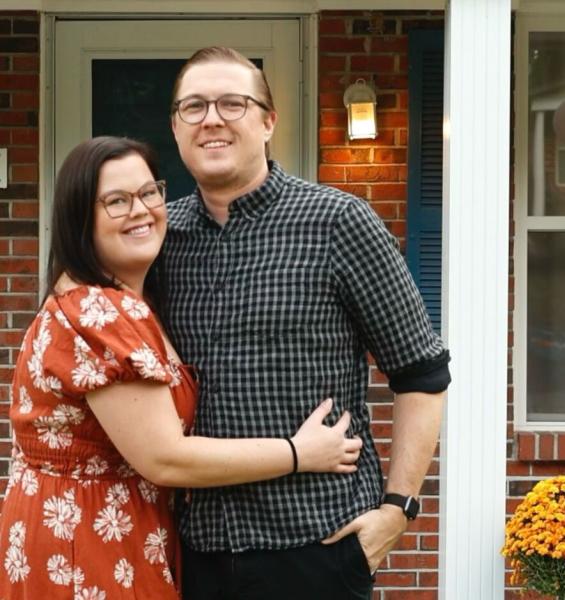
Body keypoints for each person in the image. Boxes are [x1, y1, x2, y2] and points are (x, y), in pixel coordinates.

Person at [0, 136, 364, 599]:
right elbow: (165, 457)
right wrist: (298, 453)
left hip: (109, 529)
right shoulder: (98, 313)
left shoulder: (127, 301)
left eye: (150, 192)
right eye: (116, 201)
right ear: (79, 219)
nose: (141, 210)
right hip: (88, 542)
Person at [164, 47, 450, 599]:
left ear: (268, 121)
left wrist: (399, 508)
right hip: (192, 551)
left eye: (232, 103)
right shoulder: (160, 237)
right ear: (176, 127)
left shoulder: (338, 221)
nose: (212, 119)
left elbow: (422, 373)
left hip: (318, 547)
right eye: (193, 107)